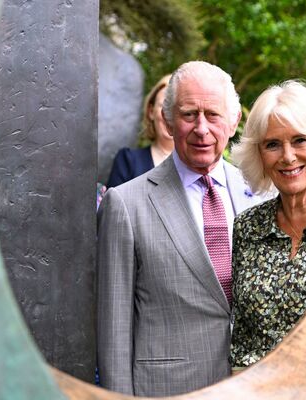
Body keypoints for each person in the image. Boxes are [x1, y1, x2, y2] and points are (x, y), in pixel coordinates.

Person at [97, 61, 264, 396]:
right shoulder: (126, 204)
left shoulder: (261, 193)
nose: (201, 128)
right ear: (169, 121)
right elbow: (113, 328)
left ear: (233, 122)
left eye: (213, 115)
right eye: (189, 114)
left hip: (253, 385)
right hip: (166, 389)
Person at [229, 80, 306, 369]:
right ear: (259, 155)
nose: (287, 156)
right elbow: (243, 336)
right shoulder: (247, 227)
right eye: (273, 144)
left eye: (300, 140)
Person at [106, 74, 173, 188]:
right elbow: (112, 205)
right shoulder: (128, 161)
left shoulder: (198, 165)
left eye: (175, 107)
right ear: (151, 112)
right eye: (163, 105)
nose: (168, 114)